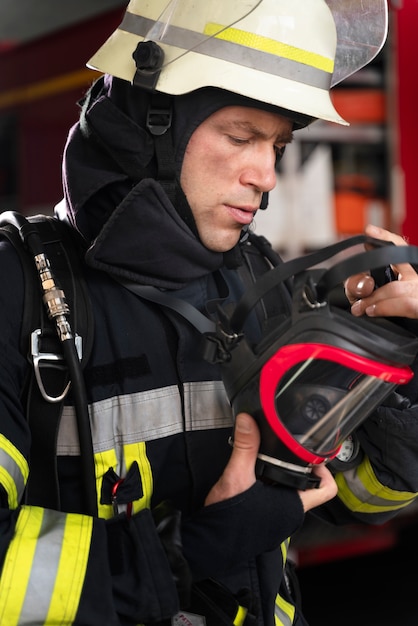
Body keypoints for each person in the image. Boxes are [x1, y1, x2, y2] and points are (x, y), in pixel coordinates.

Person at [0, 1, 418, 625]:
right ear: (154, 124)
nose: (267, 175)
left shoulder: (256, 279)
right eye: (242, 136)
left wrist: (394, 367)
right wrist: (186, 553)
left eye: (277, 144)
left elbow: (364, 494)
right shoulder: (17, 289)